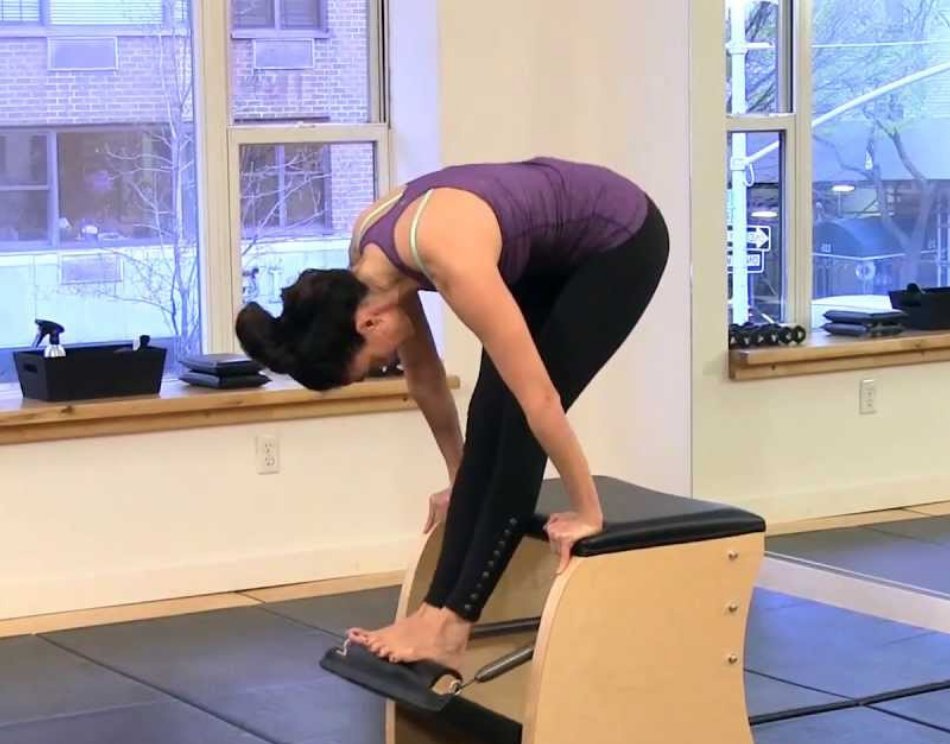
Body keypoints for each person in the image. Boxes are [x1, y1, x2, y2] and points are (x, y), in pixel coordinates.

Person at [235, 156, 669, 672]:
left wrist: (586, 511)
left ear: (369, 323)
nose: (387, 364)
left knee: (517, 418)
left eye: (374, 363)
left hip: (620, 240)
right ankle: (431, 613)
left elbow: (541, 401)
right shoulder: (367, 273)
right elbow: (425, 375)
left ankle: (452, 627)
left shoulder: (447, 257)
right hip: (546, 254)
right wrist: (459, 479)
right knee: (489, 409)